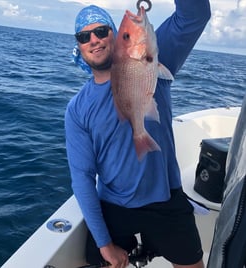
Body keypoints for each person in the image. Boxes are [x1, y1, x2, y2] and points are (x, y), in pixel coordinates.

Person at [65, 1, 211, 267]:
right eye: (84, 37)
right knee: (101, 261)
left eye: (101, 31)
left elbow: (195, 14)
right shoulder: (77, 109)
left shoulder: (153, 54)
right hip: (114, 203)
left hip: (166, 199)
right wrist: (104, 244)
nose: (94, 40)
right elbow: (82, 177)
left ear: (115, 36)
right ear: (79, 46)